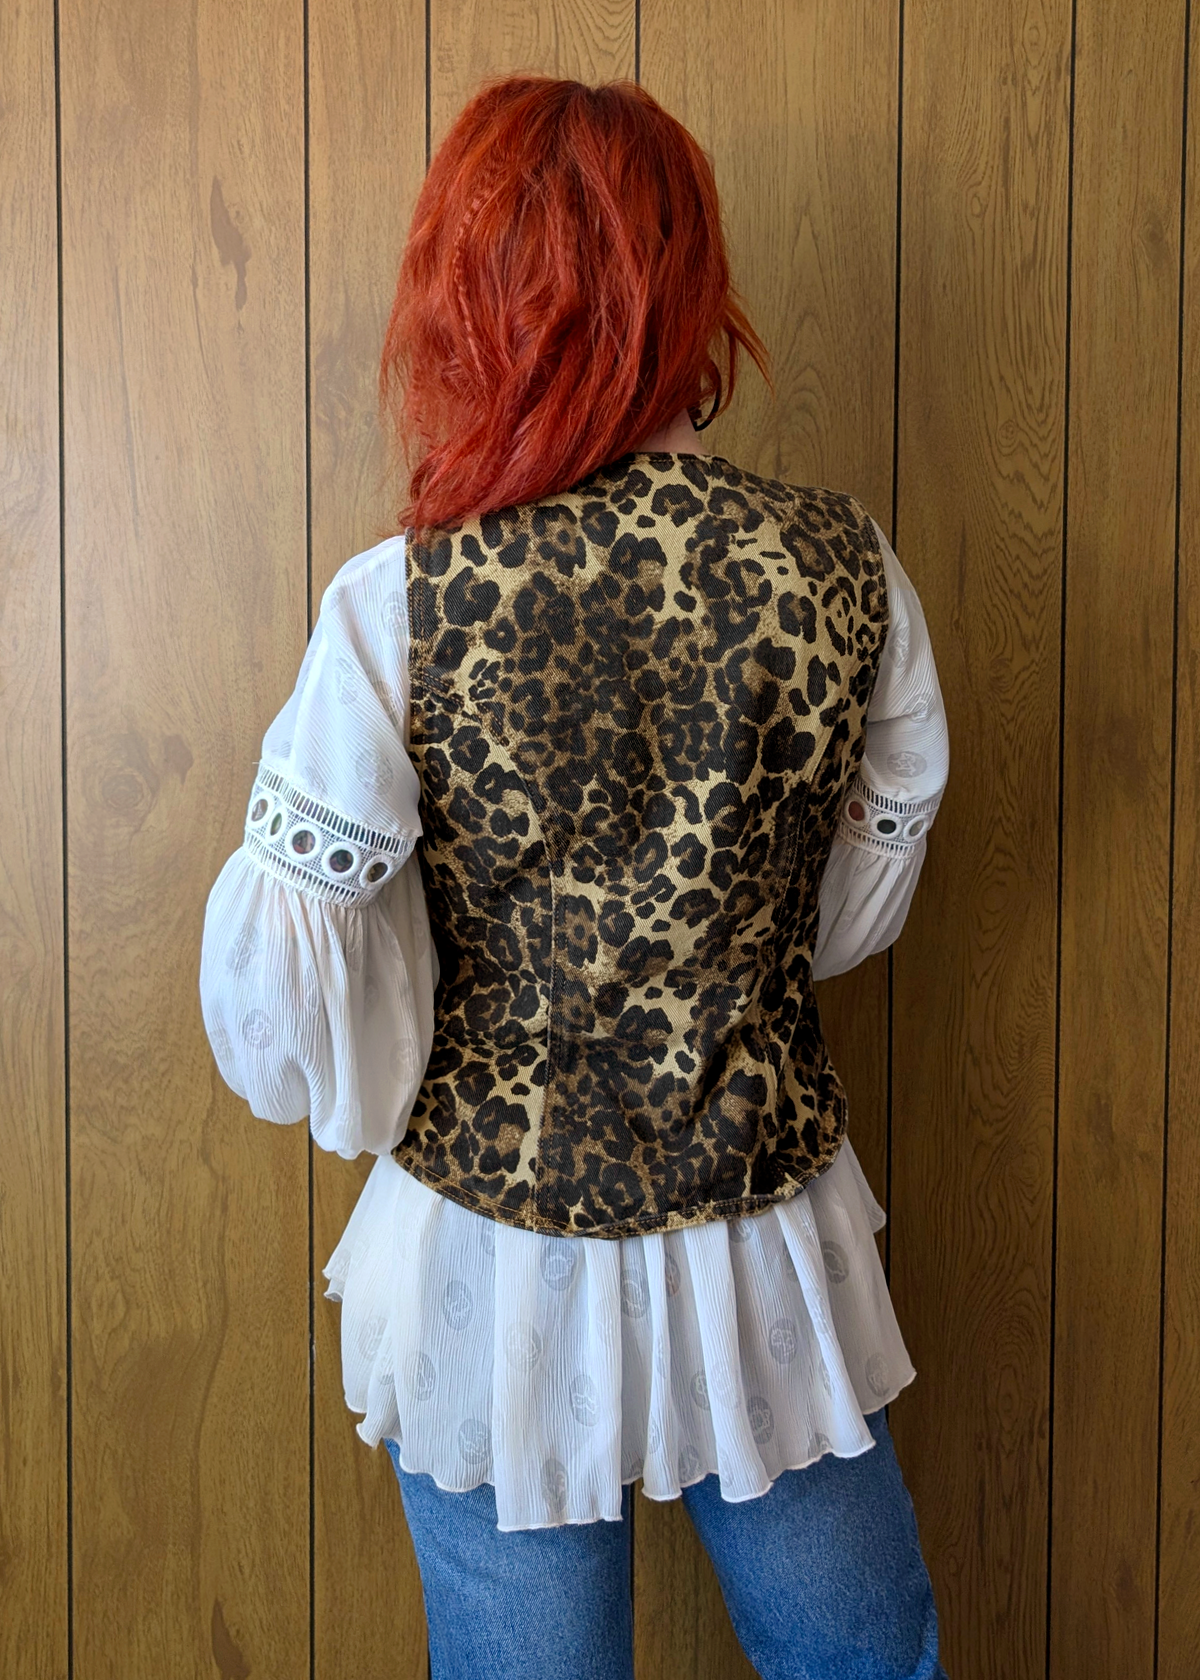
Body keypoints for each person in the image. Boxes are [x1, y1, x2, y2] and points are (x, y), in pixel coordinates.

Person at [200, 75, 951, 1680]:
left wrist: (405, 1072)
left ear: (470, 307)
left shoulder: (399, 602)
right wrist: (719, 978)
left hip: (490, 1252)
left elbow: (282, 999)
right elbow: (859, 901)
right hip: (765, 1230)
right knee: (867, 1663)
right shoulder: (843, 567)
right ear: (689, 284)